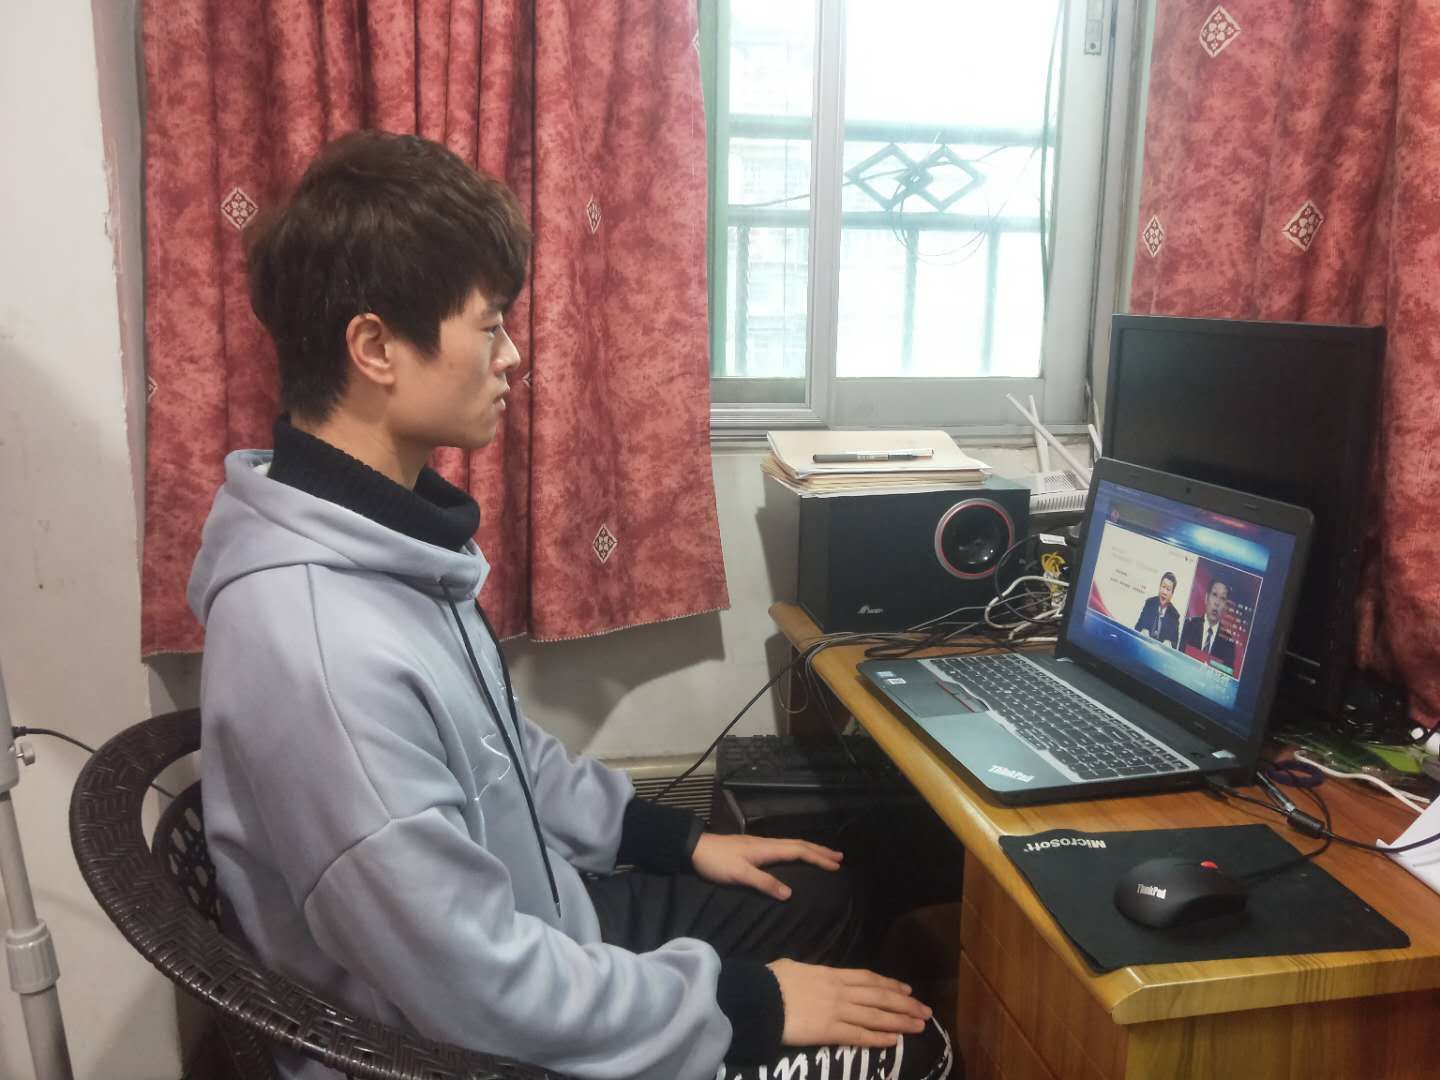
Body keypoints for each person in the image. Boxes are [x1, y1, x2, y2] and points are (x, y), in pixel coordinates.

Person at [188, 131, 950, 1080]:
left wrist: (675, 840)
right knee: (902, 1041)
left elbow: (503, 753)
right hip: (447, 1049)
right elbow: (476, 993)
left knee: (820, 894)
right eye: (489, 326)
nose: (513, 357)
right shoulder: (320, 651)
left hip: (539, 928)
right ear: (376, 347)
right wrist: (748, 1006)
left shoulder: (381, 543)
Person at [1181, 578, 1236, 667]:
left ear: (1226, 606)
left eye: (1222, 598)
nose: (1217, 603)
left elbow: (1225, 672)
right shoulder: (1187, 625)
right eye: (1214, 594)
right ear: (1206, 598)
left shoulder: (1229, 643)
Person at [1133, 571, 1180, 647]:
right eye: (1163, 587)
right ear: (1159, 587)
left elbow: (1174, 643)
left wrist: (1169, 644)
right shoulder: (1149, 603)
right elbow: (1137, 627)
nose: (1164, 592)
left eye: (1168, 589)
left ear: (1172, 594)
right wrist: (1142, 631)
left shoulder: (1174, 615)